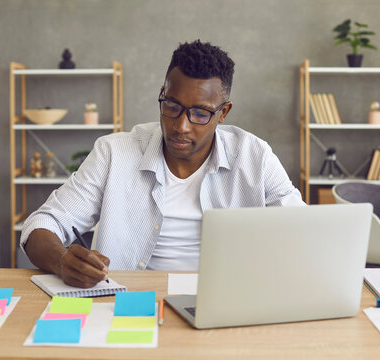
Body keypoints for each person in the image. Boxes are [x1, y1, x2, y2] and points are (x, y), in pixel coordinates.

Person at [21, 40, 305, 288]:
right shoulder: (114, 153)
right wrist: (61, 260)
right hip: (128, 301)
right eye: (171, 106)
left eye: (200, 114)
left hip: (227, 299)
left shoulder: (254, 156)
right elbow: (43, 223)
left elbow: (303, 231)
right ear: (162, 93)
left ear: (224, 112)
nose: (181, 126)